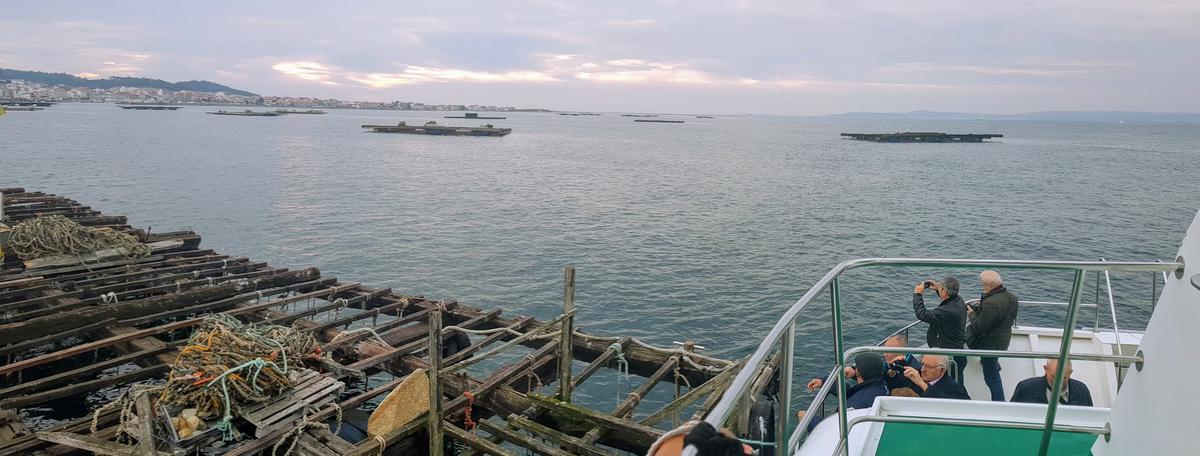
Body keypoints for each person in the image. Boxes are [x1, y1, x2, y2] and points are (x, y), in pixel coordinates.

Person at [801, 353, 890, 432]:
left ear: (859, 373)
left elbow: (832, 432)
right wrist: (825, 382)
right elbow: (851, 393)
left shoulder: (857, 403)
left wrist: (808, 420)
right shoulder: (881, 384)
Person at [967, 270, 1019, 401]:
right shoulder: (1012, 297)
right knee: (992, 361)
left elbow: (978, 327)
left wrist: (972, 314)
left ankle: (999, 402)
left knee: (992, 378)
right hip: (1003, 339)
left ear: (988, 286)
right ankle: (993, 363)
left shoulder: (991, 303)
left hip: (990, 344)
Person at [912, 277, 967, 381]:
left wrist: (917, 294)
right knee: (957, 383)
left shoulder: (947, 311)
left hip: (948, 356)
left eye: (941, 288)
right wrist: (938, 287)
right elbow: (946, 297)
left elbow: (922, 314)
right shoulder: (958, 300)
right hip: (957, 350)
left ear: (945, 292)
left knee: (950, 385)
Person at [1010, 359, 1093, 406]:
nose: (1058, 383)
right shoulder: (1026, 388)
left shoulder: (1082, 390)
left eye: (1064, 378)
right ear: (1045, 369)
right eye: (1054, 376)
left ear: (1070, 373)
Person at [900, 354, 970, 399]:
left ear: (942, 370)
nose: (923, 369)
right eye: (922, 364)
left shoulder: (955, 389)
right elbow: (898, 385)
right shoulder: (917, 374)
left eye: (928, 367)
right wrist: (893, 374)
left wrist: (922, 384)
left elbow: (949, 404)